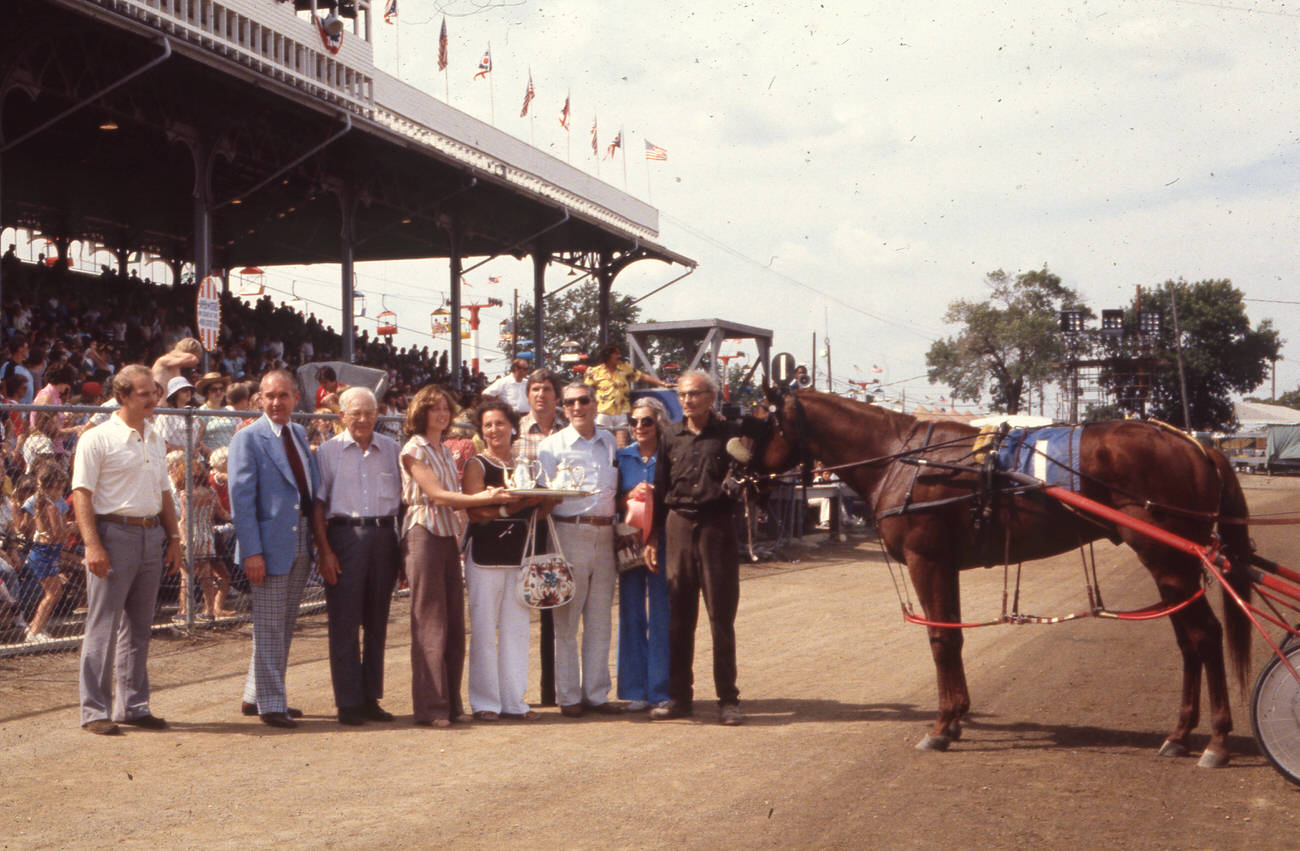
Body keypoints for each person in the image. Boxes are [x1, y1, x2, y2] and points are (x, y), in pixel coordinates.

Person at [70, 364, 183, 735]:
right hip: (113, 535)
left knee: (139, 627)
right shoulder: (97, 438)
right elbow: (82, 494)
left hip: (151, 536)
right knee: (103, 624)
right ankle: (94, 710)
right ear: (122, 396)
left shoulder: (152, 436)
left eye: (155, 392)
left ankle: (133, 706)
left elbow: (164, 491)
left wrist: (175, 538)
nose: (153, 399)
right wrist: (93, 545)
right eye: (144, 393)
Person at [228, 369, 333, 729]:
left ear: (296, 398)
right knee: (270, 624)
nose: (276, 402)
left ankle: (256, 694)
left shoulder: (299, 433)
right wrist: (252, 552)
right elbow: (241, 502)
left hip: (299, 537)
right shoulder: (248, 438)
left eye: (283, 396)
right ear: (259, 399)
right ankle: (272, 704)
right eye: (269, 396)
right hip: (268, 544)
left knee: (283, 623)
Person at [399, 384, 509, 727]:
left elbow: (456, 496)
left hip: (447, 535)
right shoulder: (413, 449)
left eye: (445, 408)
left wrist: (499, 496)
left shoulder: (445, 449)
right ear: (422, 413)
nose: (442, 414)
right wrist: (488, 498)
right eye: (435, 409)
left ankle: (450, 703)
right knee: (430, 623)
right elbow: (438, 495)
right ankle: (432, 707)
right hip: (423, 533)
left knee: (452, 623)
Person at [647, 370, 746, 726]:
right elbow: (659, 488)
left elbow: (749, 471)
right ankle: (679, 697)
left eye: (695, 394)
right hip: (678, 525)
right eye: (683, 394)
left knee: (721, 616)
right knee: (679, 617)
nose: (687, 400)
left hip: (716, 527)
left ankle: (728, 700)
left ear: (711, 397)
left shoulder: (729, 435)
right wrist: (653, 537)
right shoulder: (669, 435)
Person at [313, 386, 403, 726]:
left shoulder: (393, 450)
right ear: (342, 416)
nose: (363, 420)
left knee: (377, 621)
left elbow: (405, 503)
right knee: (345, 622)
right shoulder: (327, 452)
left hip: (383, 536)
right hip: (344, 536)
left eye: (369, 413)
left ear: (377, 414)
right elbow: (319, 506)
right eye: (356, 413)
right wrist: (325, 552)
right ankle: (348, 702)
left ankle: (370, 698)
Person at [537, 381, 622, 718]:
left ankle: (597, 694)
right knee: (566, 621)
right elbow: (540, 496)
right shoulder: (551, 446)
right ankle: (569, 696)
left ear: (595, 403)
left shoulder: (610, 442)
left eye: (583, 400)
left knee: (600, 619)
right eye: (570, 402)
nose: (576, 407)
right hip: (567, 534)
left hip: (606, 535)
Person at [462, 398, 547, 722]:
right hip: (485, 558)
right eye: (488, 425)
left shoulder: (525, 465)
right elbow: (474, 511)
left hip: (519, 556)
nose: (494, 430)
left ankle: (514, 701)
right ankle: (485, 703)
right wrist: (508, 508)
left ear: (513, 427)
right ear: (481, 432)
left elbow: (540, 506)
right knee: (484, 631)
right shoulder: (477, 465)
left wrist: (540, 498)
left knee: (517, 630)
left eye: (500, 423)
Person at [615, 397, 672, 711]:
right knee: (632, 612)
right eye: (633, 421)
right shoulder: (622, 457)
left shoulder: (669, 455)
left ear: (658, 423)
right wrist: (629, 495)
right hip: (631, 543)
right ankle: (635, 690)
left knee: (662, 614)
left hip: (662, 542)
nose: (639, 427)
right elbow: (612, 500)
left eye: (646, 421)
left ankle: (661, 690)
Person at [583, 344, 665, 448]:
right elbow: (586, 392)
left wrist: (662, 383)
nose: (619, 356)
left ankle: (620, 463)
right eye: (616, 353)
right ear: (608, 355)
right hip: (603, 412)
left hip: (621, 412)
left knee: (621, 445)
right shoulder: (594, 372)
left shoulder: (625, 368)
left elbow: (642, 376)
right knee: (602, 444)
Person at [195, 372, 235, 452]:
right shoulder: (202, 412)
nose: (218, 392)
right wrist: (212, 455)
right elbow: (198, 440)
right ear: (207, 392)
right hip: (212, 458)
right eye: (214, 390)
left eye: (221, 389)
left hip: (230, 455)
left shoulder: (229, 410)